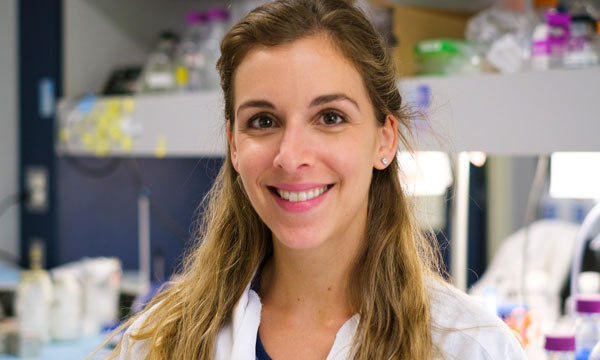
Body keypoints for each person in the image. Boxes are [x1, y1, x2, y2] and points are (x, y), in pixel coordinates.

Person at [105, 0, 527, 359]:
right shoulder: (158, 340)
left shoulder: (469, 347)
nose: (291, 156)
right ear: (233, 144)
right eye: (263, 121)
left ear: (385, 140)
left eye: (330, 117)